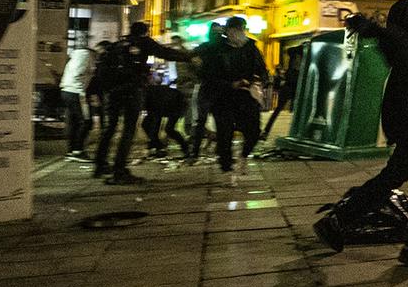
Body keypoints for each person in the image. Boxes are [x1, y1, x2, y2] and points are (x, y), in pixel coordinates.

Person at [327, 0, 408, 268]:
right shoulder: (402, 40)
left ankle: (336, 220)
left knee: (388, 180)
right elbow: (386, 36)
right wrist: (364, 24)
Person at [89, 21, 189, 184]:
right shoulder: (143, 42)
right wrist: (190, 57)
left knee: (110, 128)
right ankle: (119, 171)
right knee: (129, 130)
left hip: (113, 93)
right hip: (132, 90)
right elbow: (165, 53)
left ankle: (100, 165)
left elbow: (100, 71)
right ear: (145, 32)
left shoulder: (118, 45)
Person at [197, 16, 269, 173]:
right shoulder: (216, 50)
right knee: (225, 133)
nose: (240, 33)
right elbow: (207, 75)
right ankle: (227, 167)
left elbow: (263, 70)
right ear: (228, 31)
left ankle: (243, 155)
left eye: (242, 29)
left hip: (246, 96)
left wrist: (259, 82)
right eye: (236, 30)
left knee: (254, 130)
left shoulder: (251, 48)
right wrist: (231, 84)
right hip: (223, 98)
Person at [59, 41, 95, 159]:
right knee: (86, 121)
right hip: (76, 91)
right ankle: (78, 150)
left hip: (66, 90)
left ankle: (71, 150)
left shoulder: (76, 56)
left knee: (74, 121)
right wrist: (82, 91)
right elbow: (78, 74)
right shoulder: (86, 56)